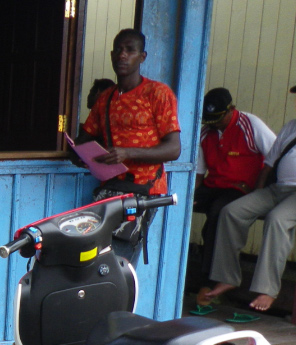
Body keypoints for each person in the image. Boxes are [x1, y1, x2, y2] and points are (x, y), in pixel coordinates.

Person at [75, 29, 181, 262]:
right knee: (94, 258)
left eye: (130, 50)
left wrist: (127, 153)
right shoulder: (106, 98)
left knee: (120, 260)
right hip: (110, 189)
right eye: (119, 50)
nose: (123, 55)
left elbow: (174, 149)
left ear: (142, 57)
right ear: (112, 55)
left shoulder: (158, 93)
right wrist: (81, 152)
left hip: (144, 191)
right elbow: (84, 138)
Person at [202, 85, 296, 313]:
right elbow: (270, 162)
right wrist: (259, 193)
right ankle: (228, 277)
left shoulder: (247, 123)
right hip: (277, 189)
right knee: (232, 211)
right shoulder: (291, 127)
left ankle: (268, 290)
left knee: (276, 219)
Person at [190, 88, 275, 289]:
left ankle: (210, 283)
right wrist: (189, 196)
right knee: (177, 203)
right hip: (214, 185)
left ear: (231, 110)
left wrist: (260, 190)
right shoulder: (205, 132)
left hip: (241, 188)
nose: (214, 124)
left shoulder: (250, 124)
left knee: (217, 214)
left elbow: (276, 156)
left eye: (218, 119)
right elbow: (199, 175)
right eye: (209, 120)